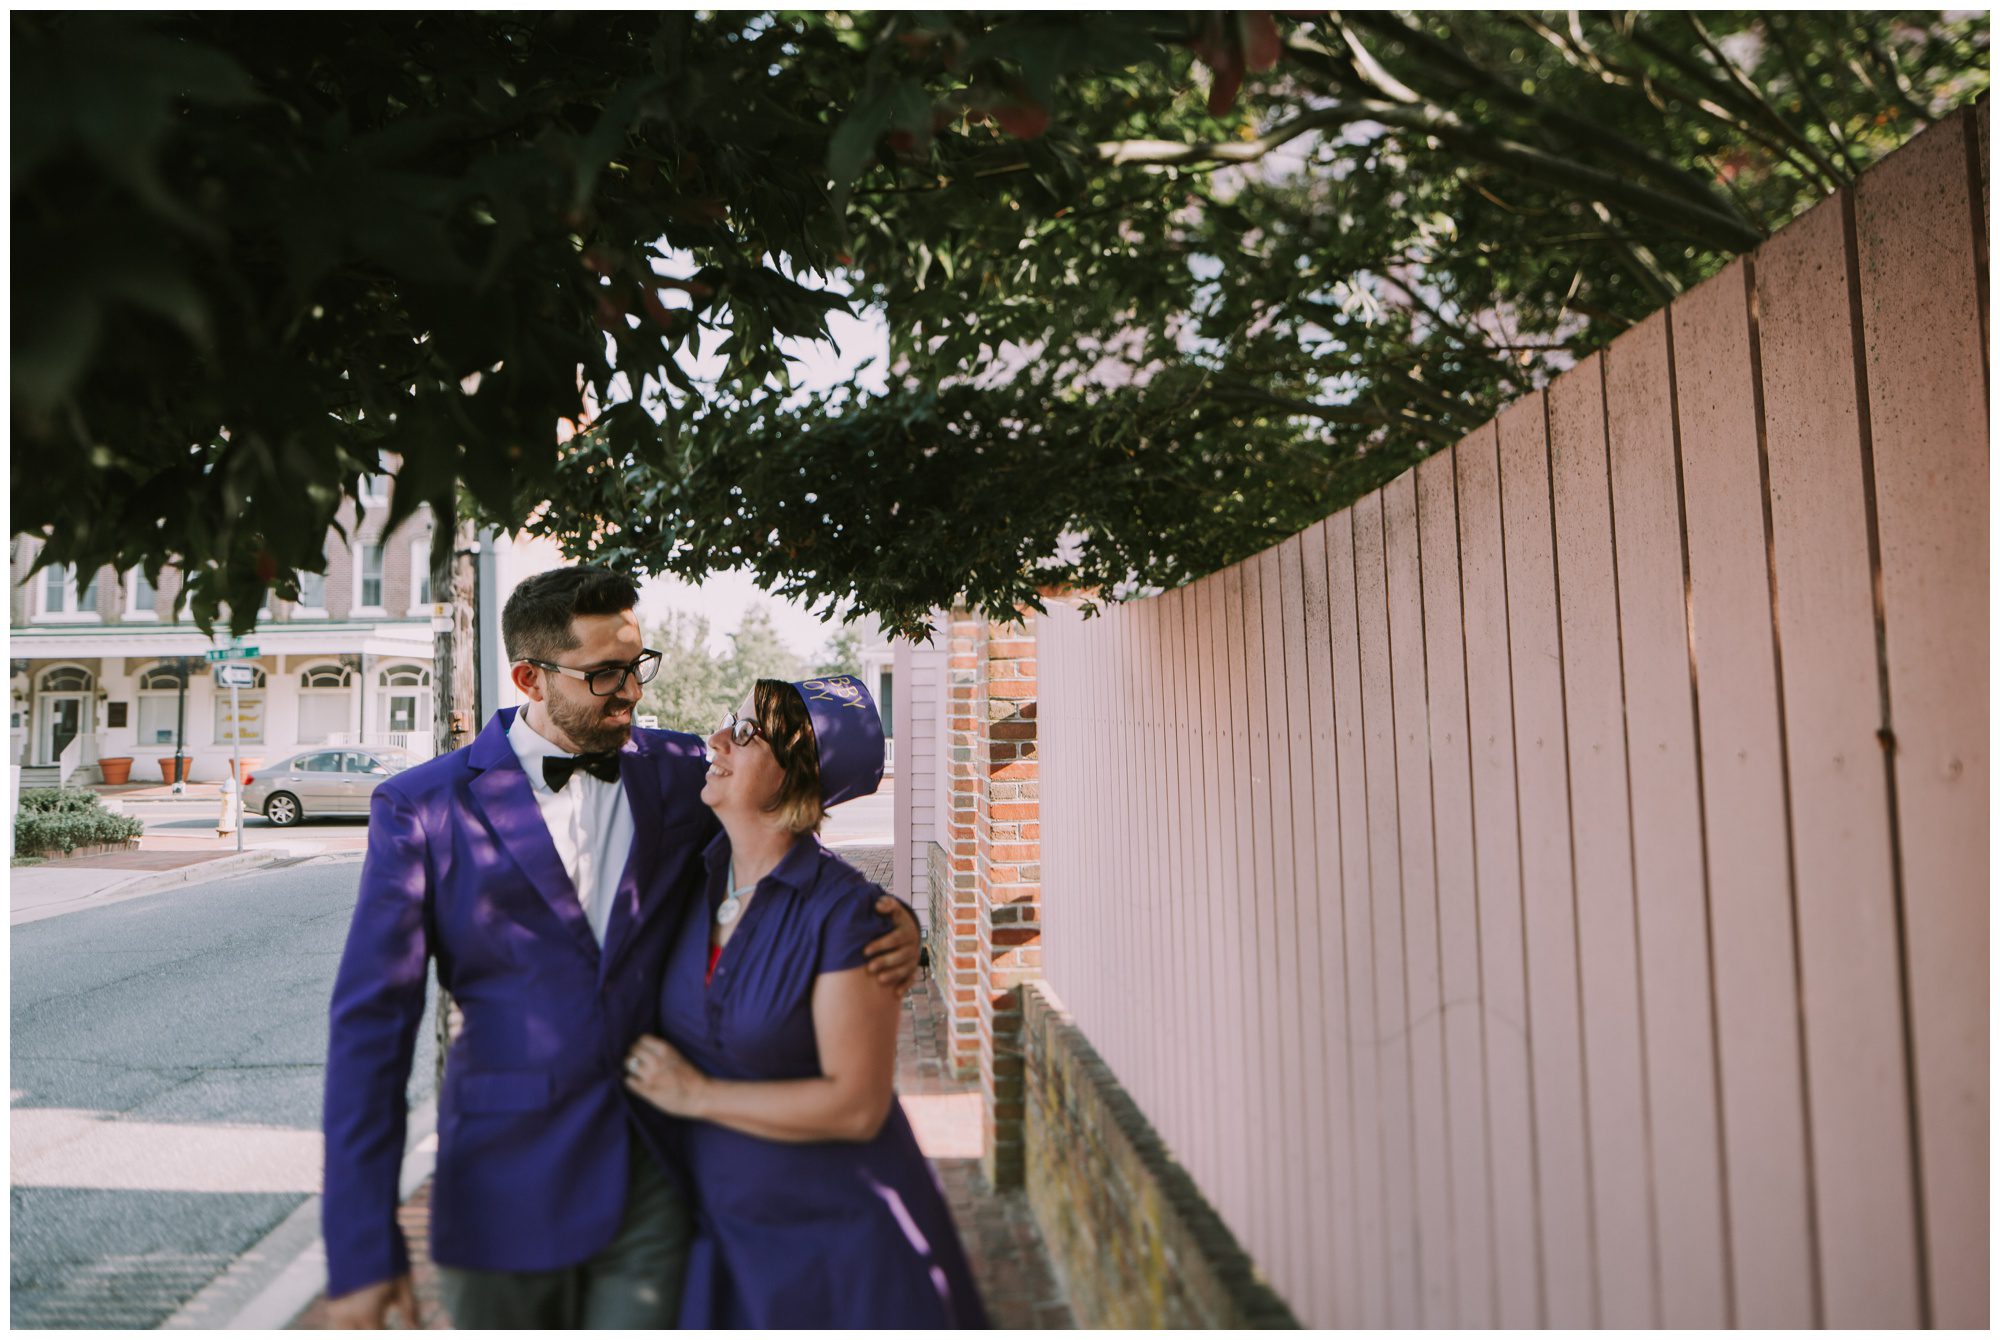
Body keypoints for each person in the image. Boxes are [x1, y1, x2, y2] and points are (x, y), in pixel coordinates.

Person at [320, 567, 921, 1328]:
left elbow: (785, 836)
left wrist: (895, 918)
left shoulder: (677, 776)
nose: (631, 691)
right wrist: (361, 1254)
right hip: (501, 1183)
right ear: (530, 678)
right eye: (605, 674)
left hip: (652, 1175)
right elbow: (369, 1036)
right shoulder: (422, 809)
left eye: (637, 666)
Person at [623, 675, 990, 1328]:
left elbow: (855, 1106)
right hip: (722, 1237)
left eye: (744, 733)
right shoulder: (688, 879)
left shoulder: (847, 916)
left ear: (797, 774)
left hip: (837, 1249)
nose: (715, 742)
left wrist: (694, 1094)